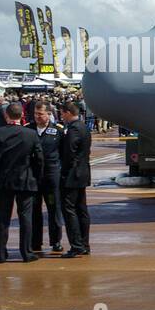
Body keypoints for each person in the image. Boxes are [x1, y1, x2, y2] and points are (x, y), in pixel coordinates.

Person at [0, 101, 43, 263]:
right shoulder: (30, 134)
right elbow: (39, 159)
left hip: (3, 181)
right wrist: (36, 178)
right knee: (25, 218)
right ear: (22, 115)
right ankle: (26, 252)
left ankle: (0, 253)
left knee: (3, 218)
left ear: (6, 115)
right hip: (25, 179)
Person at [30, 100, 65, 253]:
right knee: (34, 210)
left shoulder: (58, 131)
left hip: (51, 177)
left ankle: (55, 241)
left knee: (53, 209)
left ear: (49, 114)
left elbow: (64, 154)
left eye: (41, 114)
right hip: (34, 178)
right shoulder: (28, 130)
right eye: (35, 114)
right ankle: (35, 241)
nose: (37, 117)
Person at [59, 101, 92, 257]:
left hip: (73, 174)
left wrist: (64, 171)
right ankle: (84, 243)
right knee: (81, 209)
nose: (61, 116)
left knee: (69, 209)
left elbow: (69, 152)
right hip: (83, 172)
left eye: (62, 113)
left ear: (67, 113)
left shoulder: (73, 129)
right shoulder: (83, 126)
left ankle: (77, 245)